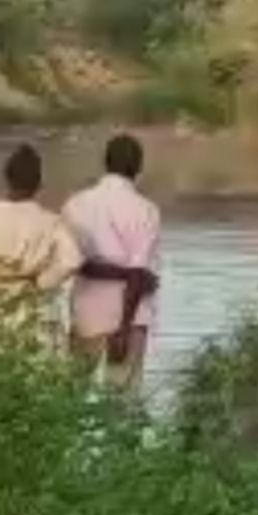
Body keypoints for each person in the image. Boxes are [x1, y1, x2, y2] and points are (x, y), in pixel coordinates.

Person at [0, 145, 86, 360]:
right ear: (39, 183)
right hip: (36, 310)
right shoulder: (50, 221)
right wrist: (43, 281)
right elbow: (73, 260)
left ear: (7, 179)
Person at [63, 135, 164, 388]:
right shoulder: (146, 210)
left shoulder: (75, 205)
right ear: (139, 167)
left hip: (86, 314)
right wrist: (123, 329)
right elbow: (139, 275)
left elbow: (73, 262)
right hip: (131, 318)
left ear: (105, 162)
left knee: (72, 401)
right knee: (124, 409)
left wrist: (111, 270)